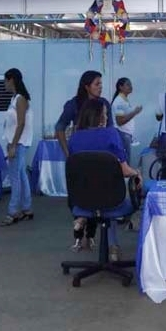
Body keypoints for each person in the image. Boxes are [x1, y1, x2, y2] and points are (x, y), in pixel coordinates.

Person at [68, 98, 142, 261]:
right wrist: (137, 173)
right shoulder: (111, 134)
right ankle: (113, 248)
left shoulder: (74, 138)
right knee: (114, 193)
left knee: (105, 191)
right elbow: (124, 170)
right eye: (105, 114)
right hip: (111, 198)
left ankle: (83, 218)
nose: (107, 118)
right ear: (99, 116)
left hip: (82, 200)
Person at [0, 68, 34, 227]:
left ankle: (13, 211)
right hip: (18, 142)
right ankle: (26, 208)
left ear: (11, 80)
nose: (4, 84)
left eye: (5, 81)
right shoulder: (16, 98)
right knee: (21, 175)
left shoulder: (19, 99)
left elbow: (21, 123)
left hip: (18, 143)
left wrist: (13, 145)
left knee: (15, 177)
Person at [54, 70, 114, 158]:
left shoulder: (104, 103)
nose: (100, 87)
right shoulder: (73, 104)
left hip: (102, 151)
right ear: (87, 86)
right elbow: (59, 127)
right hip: (80, 151)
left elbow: (110, 128)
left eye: (101, 84)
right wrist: (67, 153)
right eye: (97, 84)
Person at [111, 77, 142, 166]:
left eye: (131, 84)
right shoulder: (119, 102)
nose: (130, 87)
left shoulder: (124, 100)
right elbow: (120, 121)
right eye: (128, 85)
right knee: (125, 162)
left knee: (126, 160)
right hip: (122, 134)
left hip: (126, 134)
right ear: (120, 87)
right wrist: (134, 112)